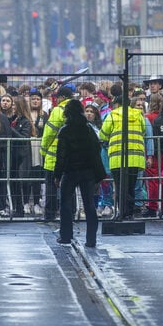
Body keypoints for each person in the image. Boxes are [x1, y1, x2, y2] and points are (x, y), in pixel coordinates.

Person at [54, 99, 107, 247]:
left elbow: (61, 155)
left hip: (70, 172)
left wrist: (57, 175)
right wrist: (97, 173)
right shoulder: (88, 129)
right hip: (88, 171)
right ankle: (91, 239)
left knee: (65, 203)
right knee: (89, 204)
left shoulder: (65, 130)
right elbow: (96, 150)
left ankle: (66, 236)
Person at [99, 93, 147, 220]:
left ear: (116, 104)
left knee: (120, 187)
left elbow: (103, 134)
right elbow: (143, 131)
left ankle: (122, 213)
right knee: (131, 187)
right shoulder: (138, 115)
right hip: (135, 158)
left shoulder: (112, 115)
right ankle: (129, 214)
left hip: (118, 157)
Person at [40, 84, 77, 221]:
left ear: (62, 97)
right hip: (73, 155)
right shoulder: (79, 111)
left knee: (51, 185)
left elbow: (49, 133)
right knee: (70, 185)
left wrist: (43, 149)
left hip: (54, 155)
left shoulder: (58, 111)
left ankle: (50, 214)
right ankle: (70, 213)